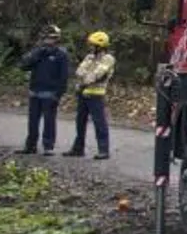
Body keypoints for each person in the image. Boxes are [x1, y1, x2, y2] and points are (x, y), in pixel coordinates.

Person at [16, 26, 70, 156]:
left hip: (50, 93)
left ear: (56, 39)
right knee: (33, 121)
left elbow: (64, 76)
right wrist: (38, 53)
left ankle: (48, 146)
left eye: (50, 37)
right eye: (46, 37)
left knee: (49, 120)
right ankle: (30, 145)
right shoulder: (38, 52)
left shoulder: (61, 54)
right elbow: (23, 65)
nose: (48, 40)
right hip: (35, 91)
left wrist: (58, 94)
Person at [63, 30, 116, 160]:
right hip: (83, 93)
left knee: (100, 123)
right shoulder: (89, 57)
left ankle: (103, 150)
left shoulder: (108, 59)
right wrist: (87, 77)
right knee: (80, 122)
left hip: (96, 95)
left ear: (100, 46)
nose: (91, 47)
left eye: (93, 45)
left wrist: (87, 77)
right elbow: (79, 71)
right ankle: (78, 148)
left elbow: (98, 74)